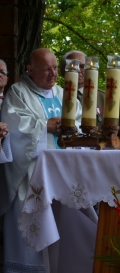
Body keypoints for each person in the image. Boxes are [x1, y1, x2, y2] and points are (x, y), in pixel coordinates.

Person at [0, 48, 83, 272]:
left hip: (63, 173)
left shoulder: (64, 93)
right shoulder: (19, 92)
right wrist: (45, 126)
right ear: (30, 70)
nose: (53, 74)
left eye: (55, 68)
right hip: (31, 174)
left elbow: (79, 125)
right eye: (46, 69)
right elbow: (14, 127)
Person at [60, 50, 105, 127]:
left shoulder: (104, 98)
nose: (78, 70)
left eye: (82, 67)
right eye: (73, 66)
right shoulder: (55, 95)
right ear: (62, 70)